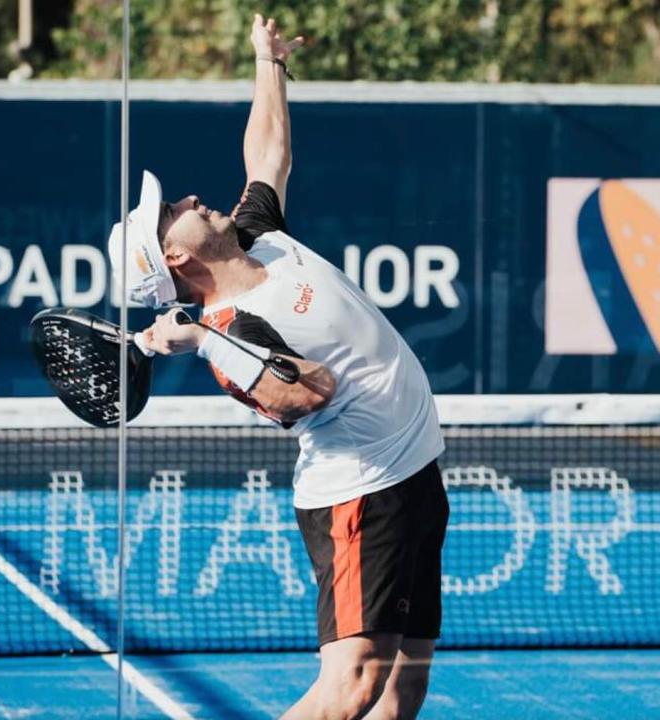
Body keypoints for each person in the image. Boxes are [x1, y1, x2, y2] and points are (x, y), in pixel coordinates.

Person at [107, 14, 449, 720]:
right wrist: (202, 342)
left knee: (403, 684)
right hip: (362, 496)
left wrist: (268, 63)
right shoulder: (230, 339)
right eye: (174, 210)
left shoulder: (260, 238)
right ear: (174, 258)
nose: (190, 199)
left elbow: (268, 156)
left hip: (415, 472)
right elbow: (309, 392)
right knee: (350, 687)